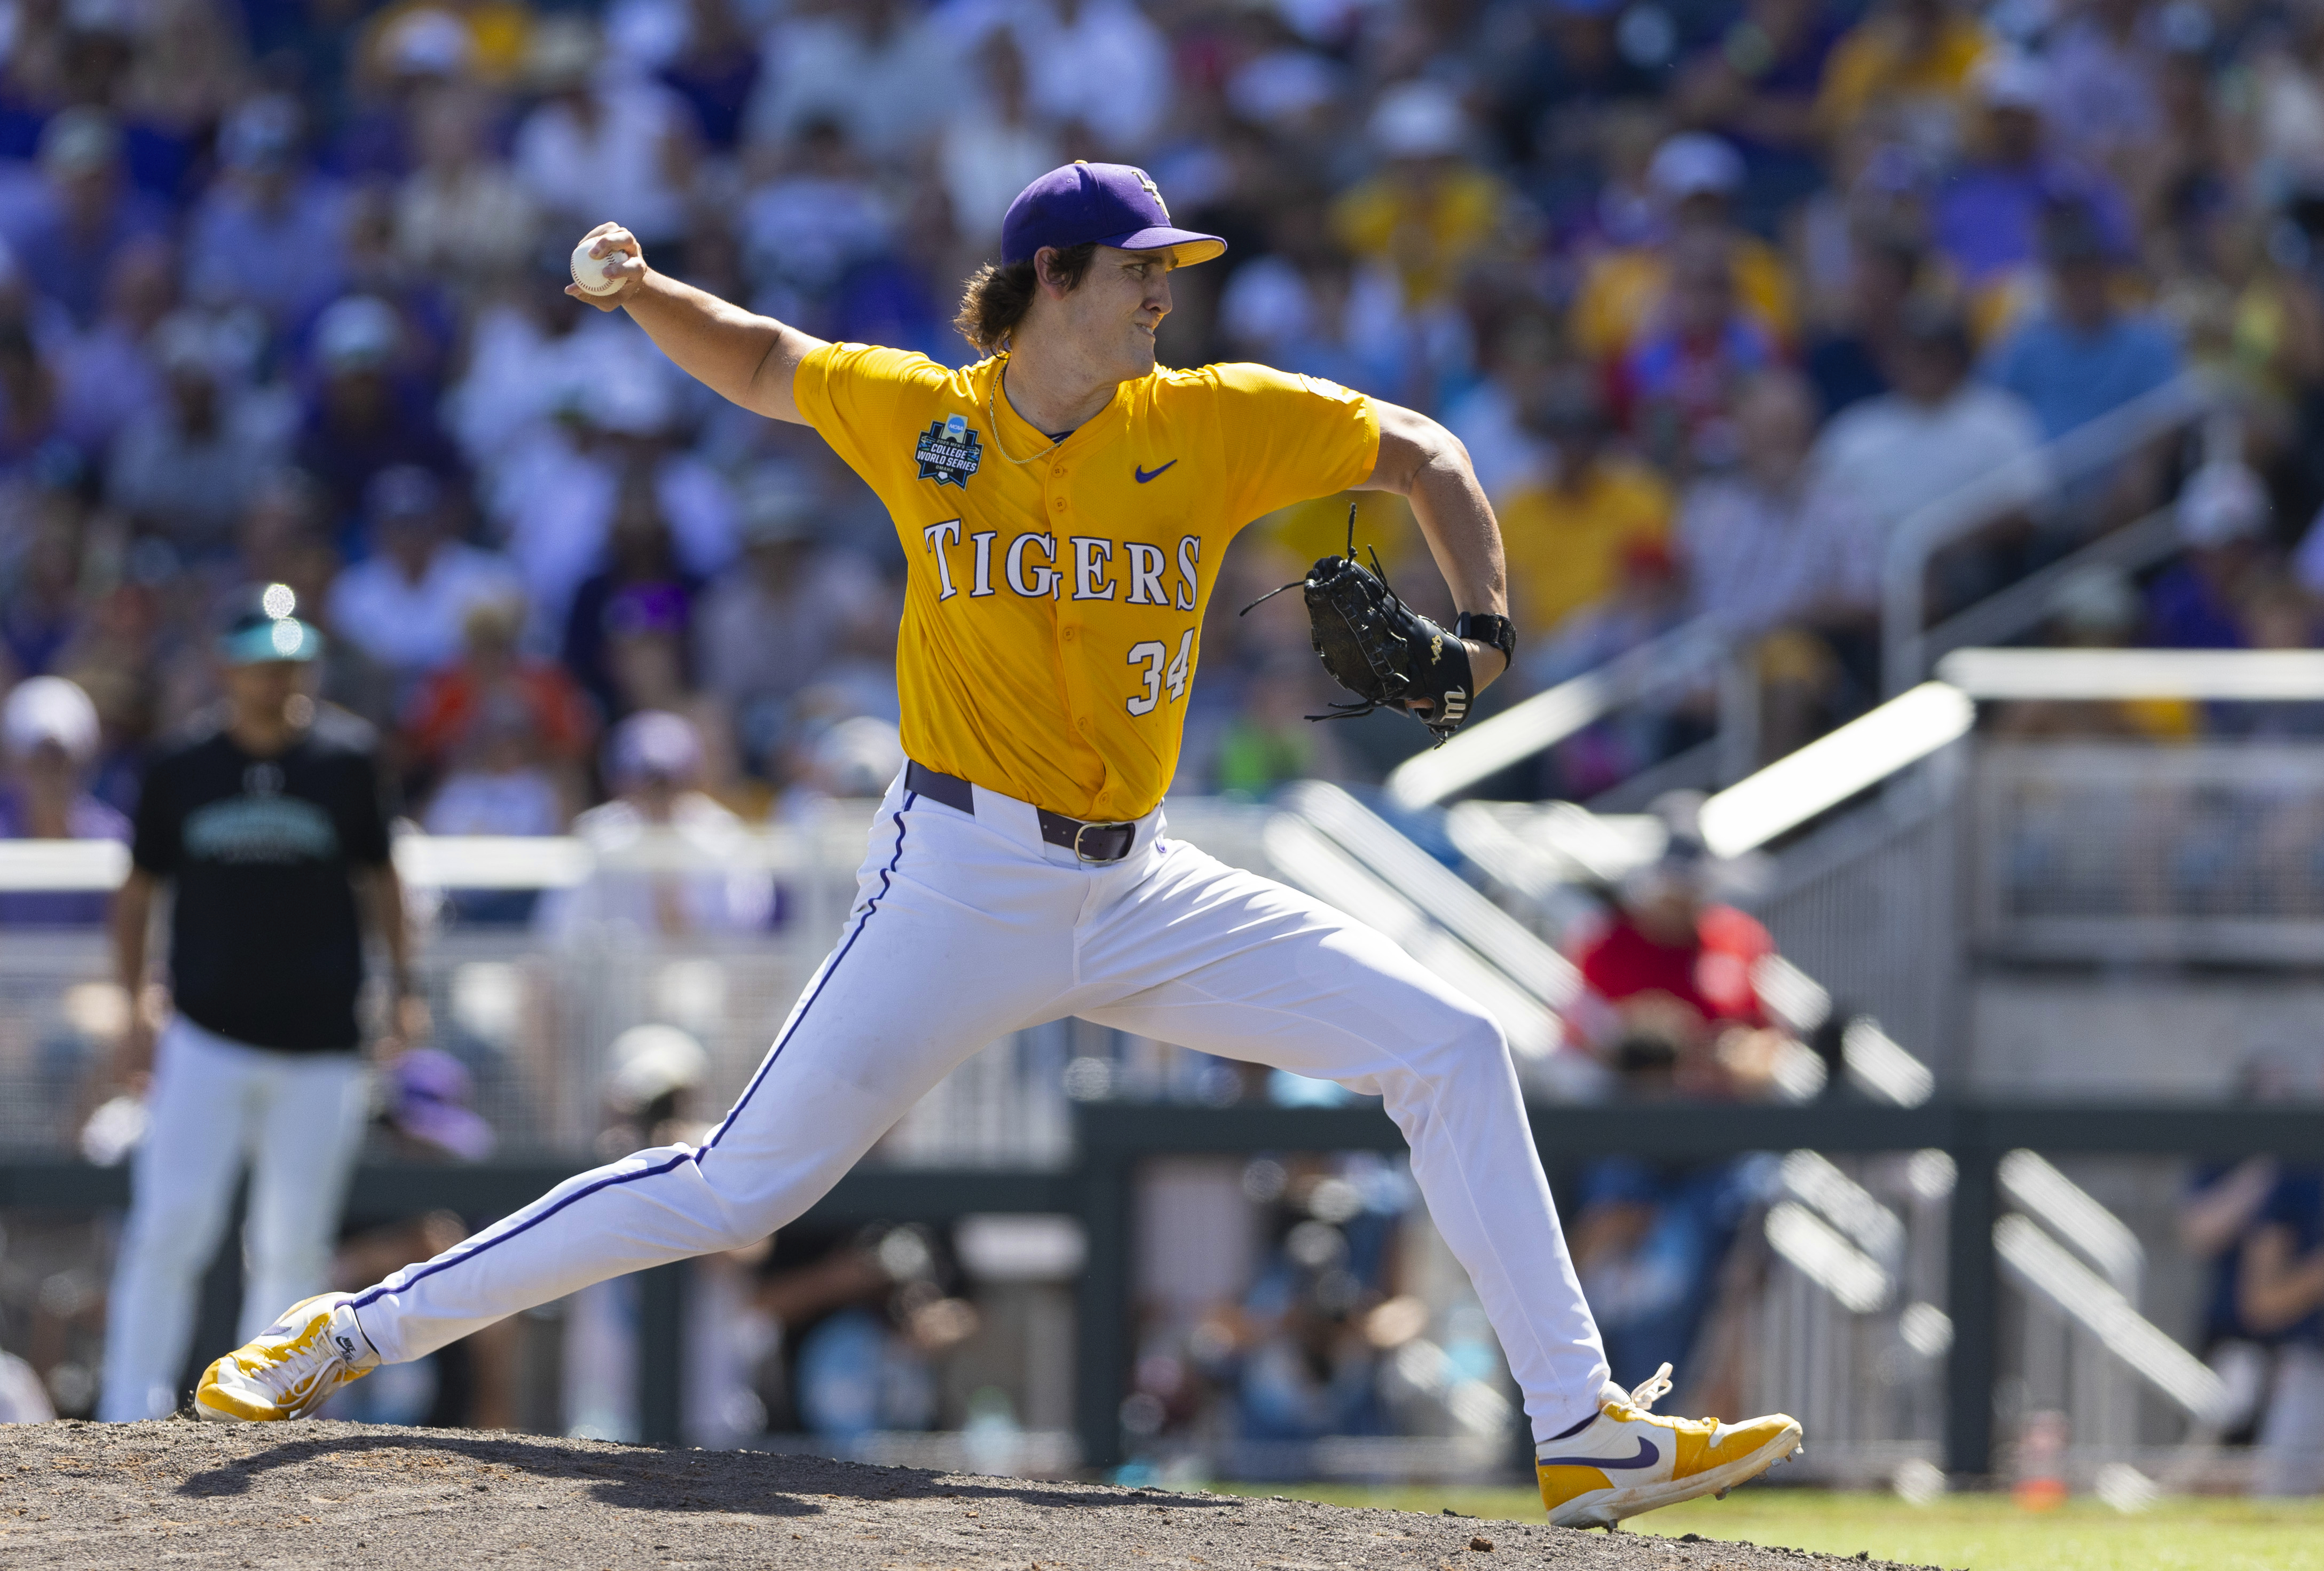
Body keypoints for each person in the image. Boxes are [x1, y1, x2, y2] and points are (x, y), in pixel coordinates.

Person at [195, 162, 1801, 1531]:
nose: (1167, 295)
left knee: (1448, 1040)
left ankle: (1582, 1428)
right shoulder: (929, 417)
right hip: (960, 876)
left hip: (1142, 878)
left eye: (1174, 271)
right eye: (1140, 271)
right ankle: (347, 1330)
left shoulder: (1218, 422)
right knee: (740, 1181)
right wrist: (639, 290)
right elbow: (761, 361)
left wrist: (1492, 626)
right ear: (1052, 277)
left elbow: (1428, 454)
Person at [96, 586, 419, 1422]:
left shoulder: (347, 760)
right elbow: (137, 892)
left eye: (291, 661)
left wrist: (404, 987)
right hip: (206, 1035)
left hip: (320, 1042)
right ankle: (131, 1405)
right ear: (227, 667)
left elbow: (382, 882)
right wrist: (134, 1004)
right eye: (263, 663)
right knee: (170, 1225)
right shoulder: (179, 767)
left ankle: (264, 1405)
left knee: (293, 1242)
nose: (279, 678)